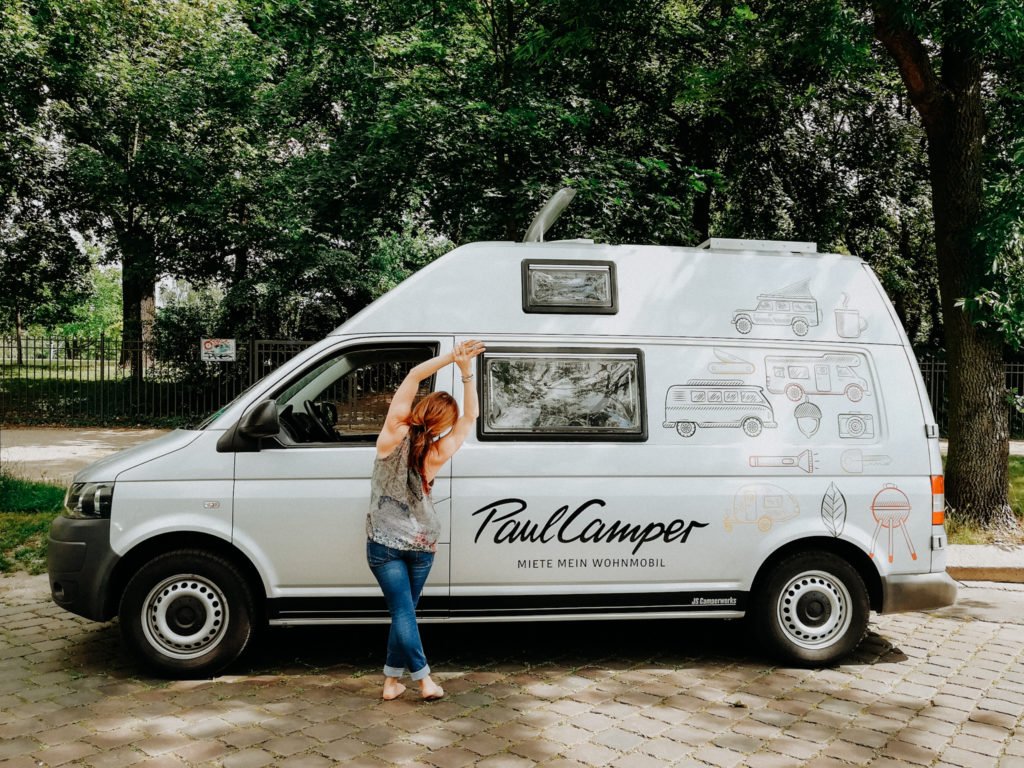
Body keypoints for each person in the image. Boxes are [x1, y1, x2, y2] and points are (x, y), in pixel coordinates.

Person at [366, 339, 485, 701]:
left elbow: (416, 374)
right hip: (422, 545)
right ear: (441, 425)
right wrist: (466, 373)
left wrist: (452, 355)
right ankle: (416, 679)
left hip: (383, 544)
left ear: (421, 409)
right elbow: (471, 418)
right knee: (406, 612)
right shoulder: (438, 450)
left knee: (404, 613)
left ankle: (398, 681)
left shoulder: (391, 434)